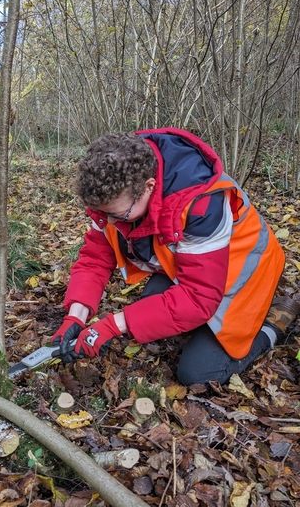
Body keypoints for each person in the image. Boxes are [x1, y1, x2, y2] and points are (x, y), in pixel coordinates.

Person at [51, 128, 300, 385]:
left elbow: (199, 298)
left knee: (198, 374)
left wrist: (112, 325)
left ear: (148, 187)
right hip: (195, 268)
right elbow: (95, 258)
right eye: (103, 214)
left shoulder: (201, 204)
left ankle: (273, 326)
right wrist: (76, 315)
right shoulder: (115, 192)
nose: (110, 222)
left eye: (120, 215)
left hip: (246, 269)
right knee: (150, 308)